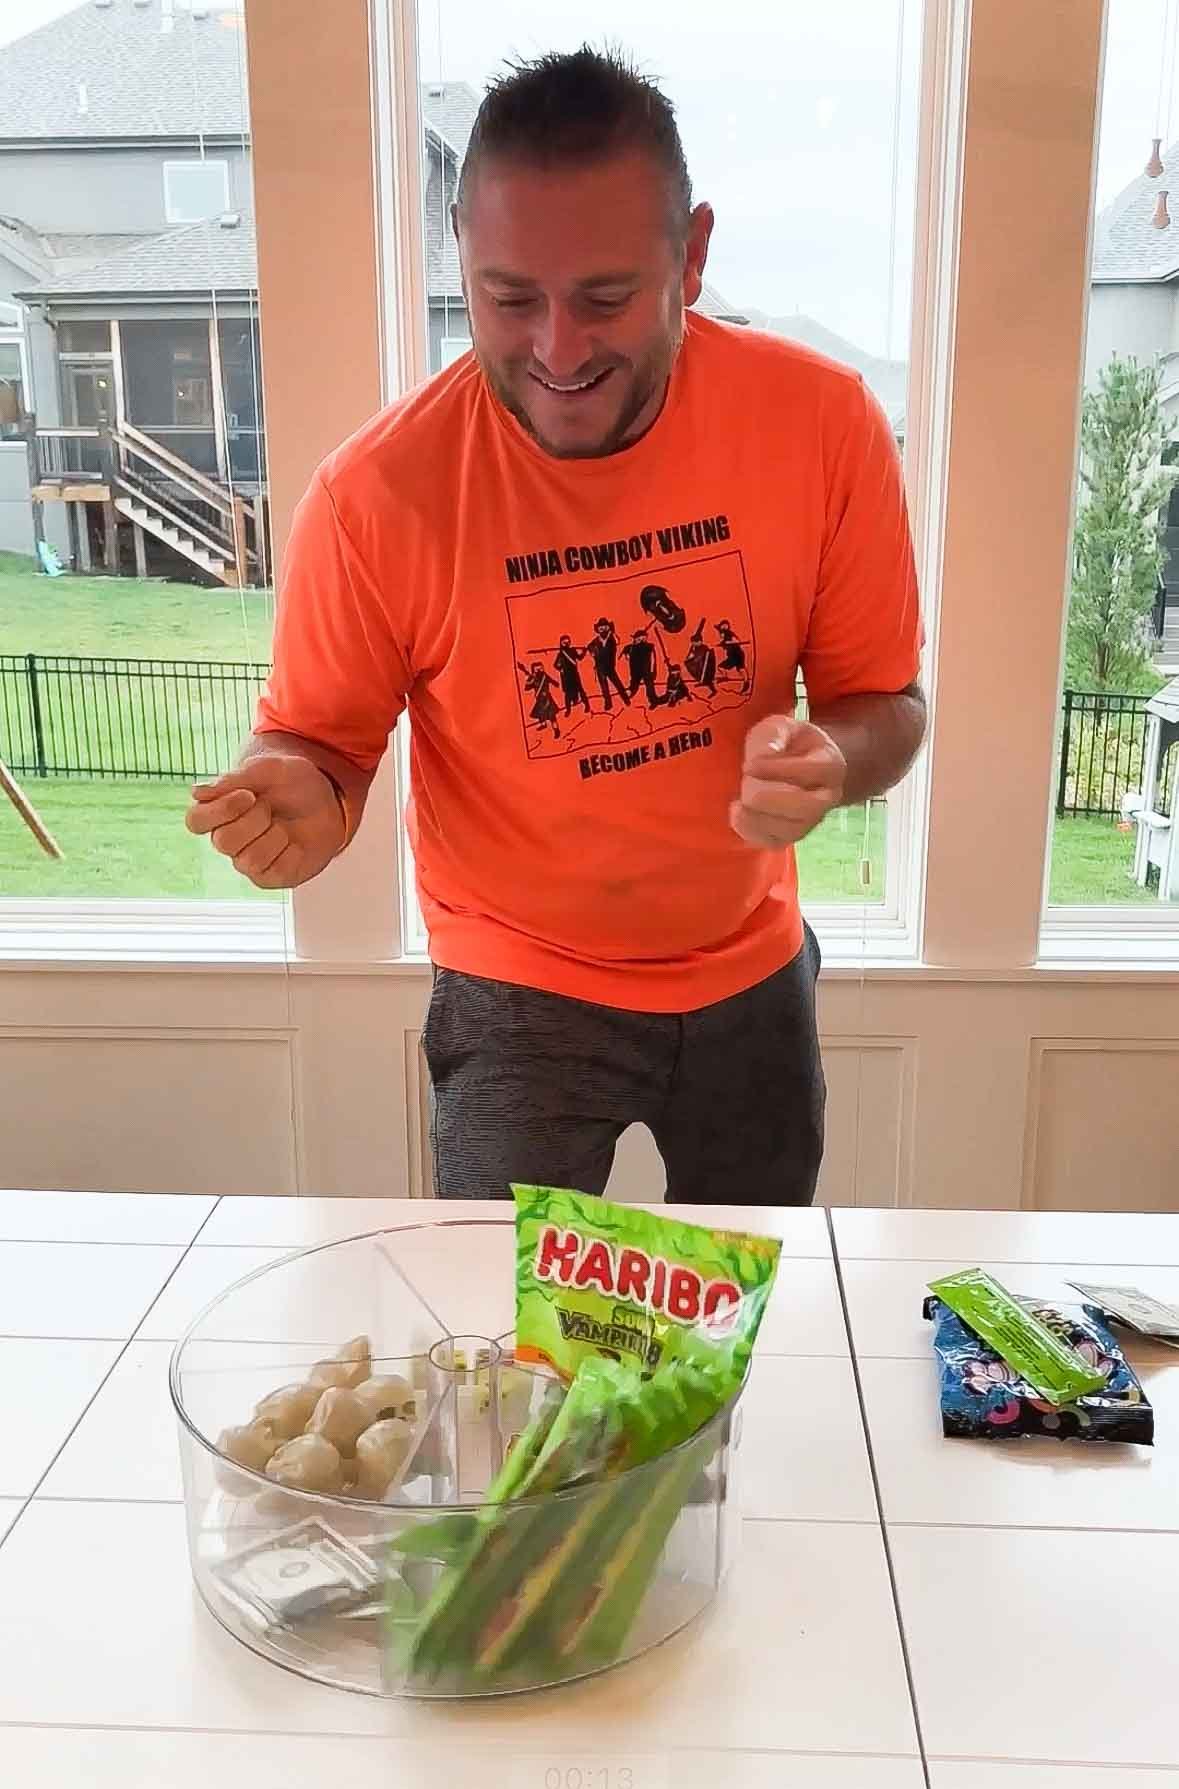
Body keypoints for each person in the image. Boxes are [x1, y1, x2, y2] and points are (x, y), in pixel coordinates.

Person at [185, 47, 924, 1207]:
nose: (559, 352)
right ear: (463, 265)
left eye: (605, 297)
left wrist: (833, 757)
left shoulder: (824, 424)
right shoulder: (376, 494)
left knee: (736, 1328)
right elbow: (318, 747)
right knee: (507, 1345)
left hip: (751, 975)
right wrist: (296, 794)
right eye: (510, 297)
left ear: (692, 256)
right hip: (516, 988)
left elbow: (888, 704)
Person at [586, 616, 631, 711]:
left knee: (618, 684)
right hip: (600, 668)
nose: (602, 629)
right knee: (604, 687)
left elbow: (613, 646)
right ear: (598, 629)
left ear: (608, 628)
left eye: (605, 627)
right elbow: (589, 646)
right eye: (600, 628)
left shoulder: (612, 638)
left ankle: (626, 699)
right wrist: (592, 651)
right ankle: (608, 703)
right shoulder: (596, 640)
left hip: (610, 667)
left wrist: (597, 652)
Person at [621, 626, 660, 705]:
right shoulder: (631, 648)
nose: (642, 641)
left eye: (644, 639)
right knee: (634, 683)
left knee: (649, 685)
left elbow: (654, 659)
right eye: (639, 639)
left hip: (646, 670)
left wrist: (654, 671)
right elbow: (625, 653)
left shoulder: (649, 647)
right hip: (635, 671)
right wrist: (626, 654)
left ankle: (653, 700)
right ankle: (629, 693)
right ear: (635, 639)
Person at [554, 634, 591, 715]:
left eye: (568, 642)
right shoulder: (560, 654)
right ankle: (568, 710)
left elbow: (580, 658)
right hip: (566, 677)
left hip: (574, 674)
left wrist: (584, 651)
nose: (566, 644)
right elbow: (555, 665)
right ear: (561, 643)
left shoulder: (573, 650)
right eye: (564, 642)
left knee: (581, 690)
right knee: (567, 694)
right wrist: (561, 669)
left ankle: (587, 706)